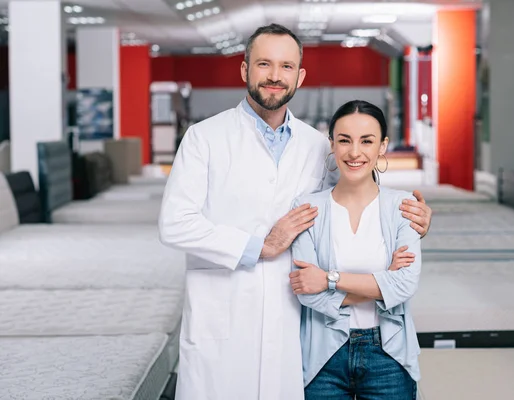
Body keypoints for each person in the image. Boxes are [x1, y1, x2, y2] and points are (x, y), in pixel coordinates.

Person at [158, 24, 432, 400]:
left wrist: (411, 217)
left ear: (299, 76)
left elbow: (360, 183)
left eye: (286, 66)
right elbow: (174, 224)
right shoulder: (205, 138)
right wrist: (261, 246)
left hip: (293, 319)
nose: (274, 76)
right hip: (223, 310)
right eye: (264, 64)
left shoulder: (316, 145)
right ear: (244, 70)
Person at [290, 100, 422, 400]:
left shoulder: (404, 209)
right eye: (344, 140)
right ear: (332, 144)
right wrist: (381, 282)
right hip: (324, 358)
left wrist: (328, 279)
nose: (354, 152)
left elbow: (404, 285)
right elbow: (307, 292)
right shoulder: (308, 208)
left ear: (383, 146)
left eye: (367, 141)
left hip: (389, 355)